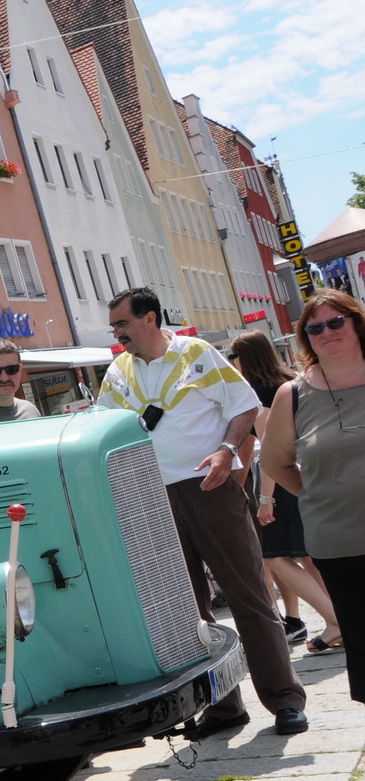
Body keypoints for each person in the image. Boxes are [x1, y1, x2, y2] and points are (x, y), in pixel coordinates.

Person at [98, 288, 306, 737]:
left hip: (210, 489)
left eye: (122, 324)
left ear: (149, 318)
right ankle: (223, 707)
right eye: (114, 326)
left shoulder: (196, 352)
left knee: (248, 595)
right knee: (189, 609)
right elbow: (100, 430)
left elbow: (246, 406)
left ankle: (285, 699)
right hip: (149, 498)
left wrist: (227, 451)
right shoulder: (117, 372)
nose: (116, 334)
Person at [261, 288, 365, 702]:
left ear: (356, 323)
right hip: (339, 544)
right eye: (314, 327)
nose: (326, 332)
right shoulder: (294, 395)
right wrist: (316, 495)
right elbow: (274, 463)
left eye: (336, 321)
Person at [227, 330, 343, 652]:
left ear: (243, 358)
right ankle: (342, 618)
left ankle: (334, 620)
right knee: (308, 555)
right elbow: (249, 446)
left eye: (232, 358)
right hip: (307, 475)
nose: (230, 364)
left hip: (279, 483)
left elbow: (267, 453)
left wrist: (264, 499)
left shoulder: (255, 394)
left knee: (275, 558)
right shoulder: (291, 382)